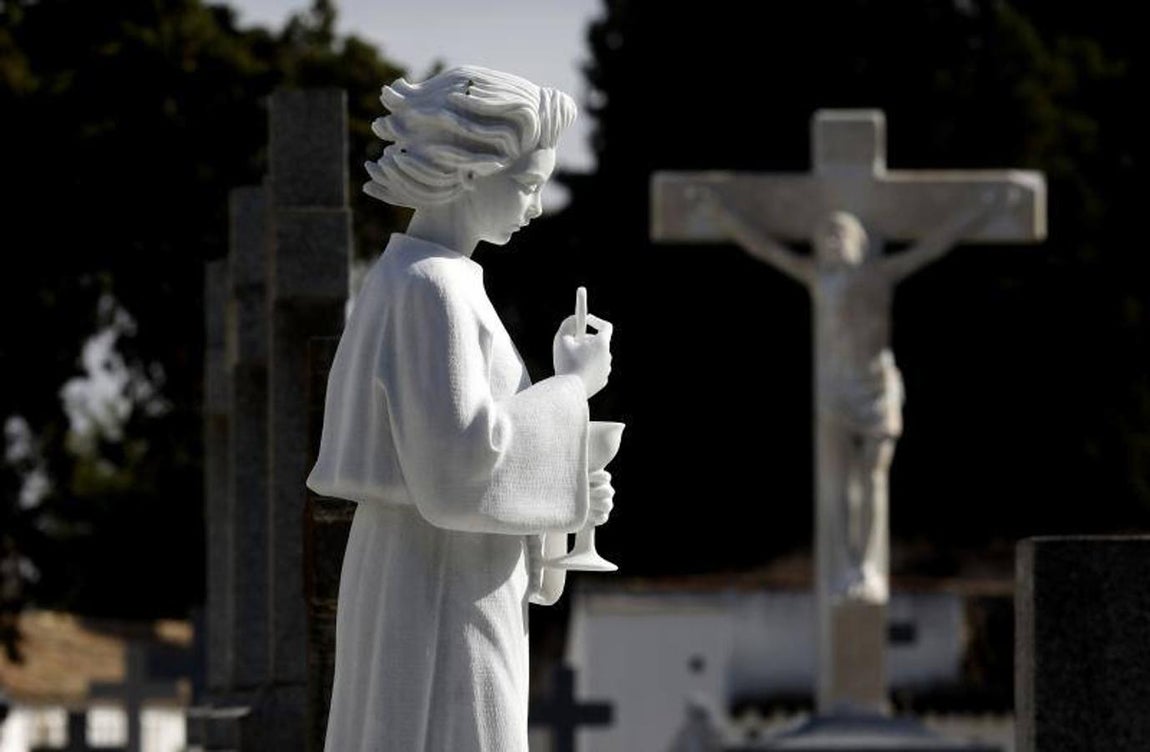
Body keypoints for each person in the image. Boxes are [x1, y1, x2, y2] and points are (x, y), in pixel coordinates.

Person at [306, 66, 615, 751]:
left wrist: (566, 494)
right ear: (472, 171)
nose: (534, 209)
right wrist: (573, 392)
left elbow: (474, 462)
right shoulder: (430, 290)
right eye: (527, 186)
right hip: (438, 587)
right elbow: (457, 467)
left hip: (450, 573)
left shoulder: (431, 281)